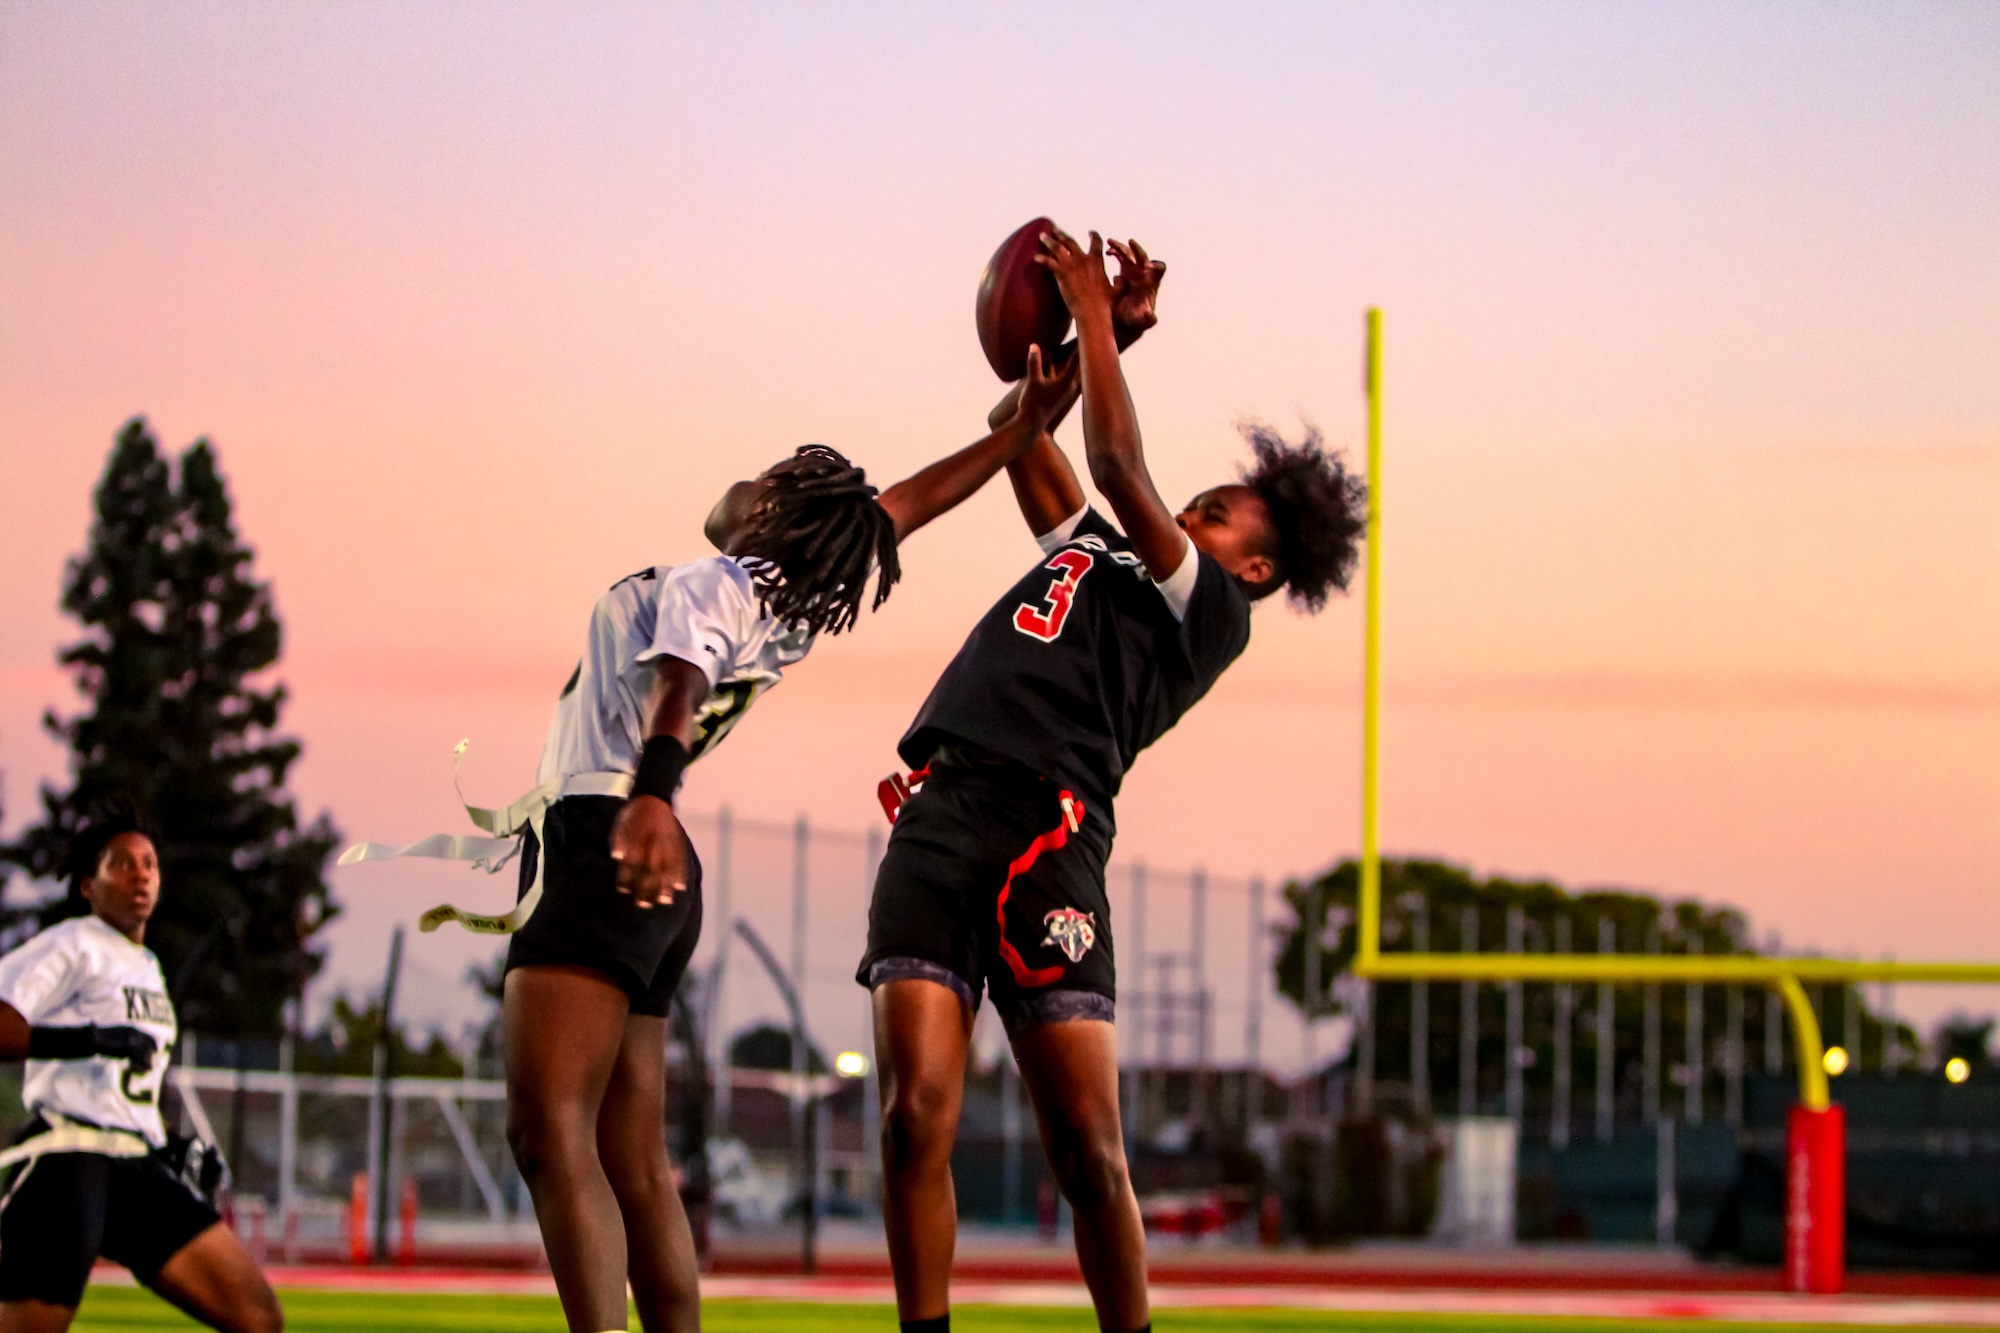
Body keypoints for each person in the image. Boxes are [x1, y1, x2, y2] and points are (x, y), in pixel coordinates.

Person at [397, 353, 1077, 1333]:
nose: (749, 481)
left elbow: (675, 686)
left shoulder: (719, 583)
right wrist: (1014, 436)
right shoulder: (788, 602)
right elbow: (901, 506)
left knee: (547, 1134)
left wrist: (654, 795)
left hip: (608, 831)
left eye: (767, 480)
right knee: (629, 1160)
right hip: (656, 873)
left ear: (774, 517)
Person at [857, 228, 1368, 1333]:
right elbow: (1015, 436)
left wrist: (1100, 322)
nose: (1196, 504)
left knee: (1087, 1150)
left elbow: (1116, 464)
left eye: (1221, 509)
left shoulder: (1207, 611)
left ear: (1256, 565)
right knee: (912, 1117)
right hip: (945, 808)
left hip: (1050, 837)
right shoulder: (1096, 549)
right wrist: (1072, 355)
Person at [0, 809, 281, 1333]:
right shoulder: (74, 942)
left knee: (256, 1315)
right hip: (70, 1154)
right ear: (88, 885)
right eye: (121, 864)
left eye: (149, 864)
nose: (141, 874)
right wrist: (89, 1039)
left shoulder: (146, 967)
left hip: (132, 1163)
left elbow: (120, 1085)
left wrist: (170, 1145)